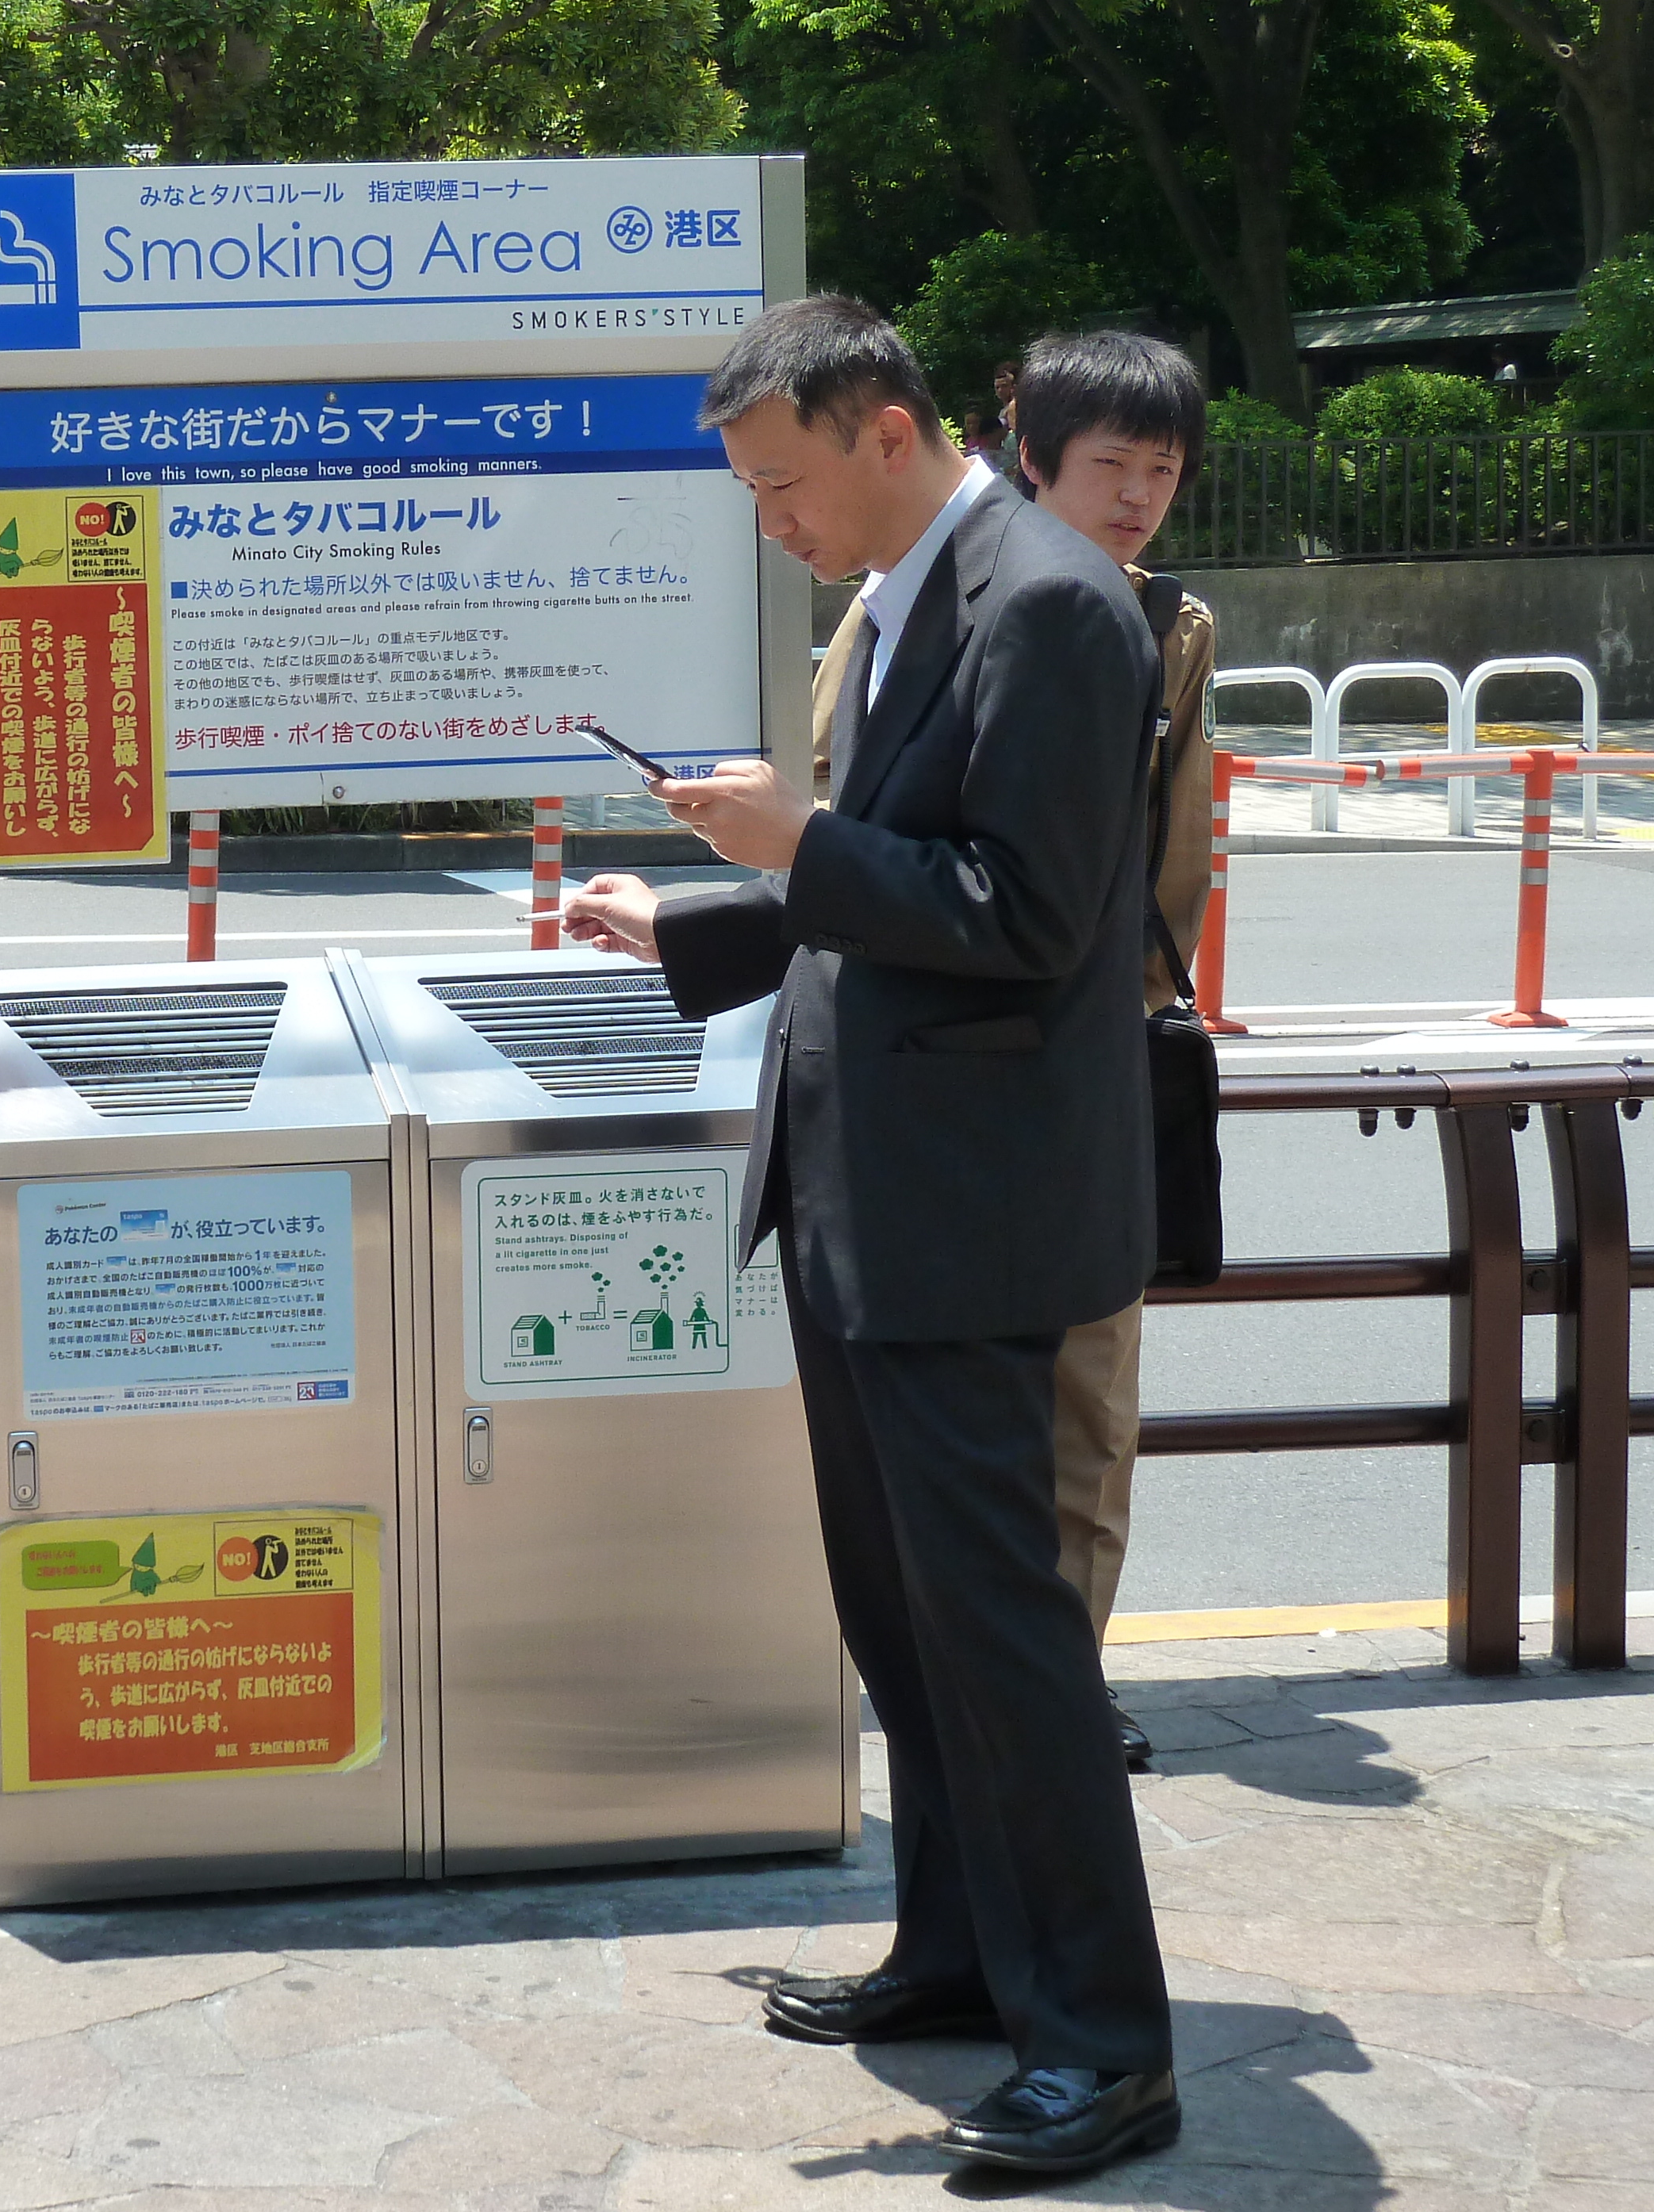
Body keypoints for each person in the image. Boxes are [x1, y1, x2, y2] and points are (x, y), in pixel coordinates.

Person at [565, 294, 1176, 2178]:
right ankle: (958, 1950)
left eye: (780, 486)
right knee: (901, 1622)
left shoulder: (1051, 600)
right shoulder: (913, 589)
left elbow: (1026, 912)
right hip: (862, 1193)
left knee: (998, 1637)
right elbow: (886, 884)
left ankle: (1101, 2038)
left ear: (886, 429)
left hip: (969, 1217)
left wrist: (789, 848)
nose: (772, 523)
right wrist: (699, 918)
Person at [1010, 329, 1219, 1765]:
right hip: (966, 1050)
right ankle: (966, 1667)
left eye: (1163, 470)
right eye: (1111, 466)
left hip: (1104, 1048)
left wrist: (1147, 998)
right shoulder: (937, 603)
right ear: (1034, 459)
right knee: (970, 1392)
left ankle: (1067, 1675)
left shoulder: (1170, 628)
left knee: (1093, 1384)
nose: (1138, 495)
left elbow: (1180, 841)